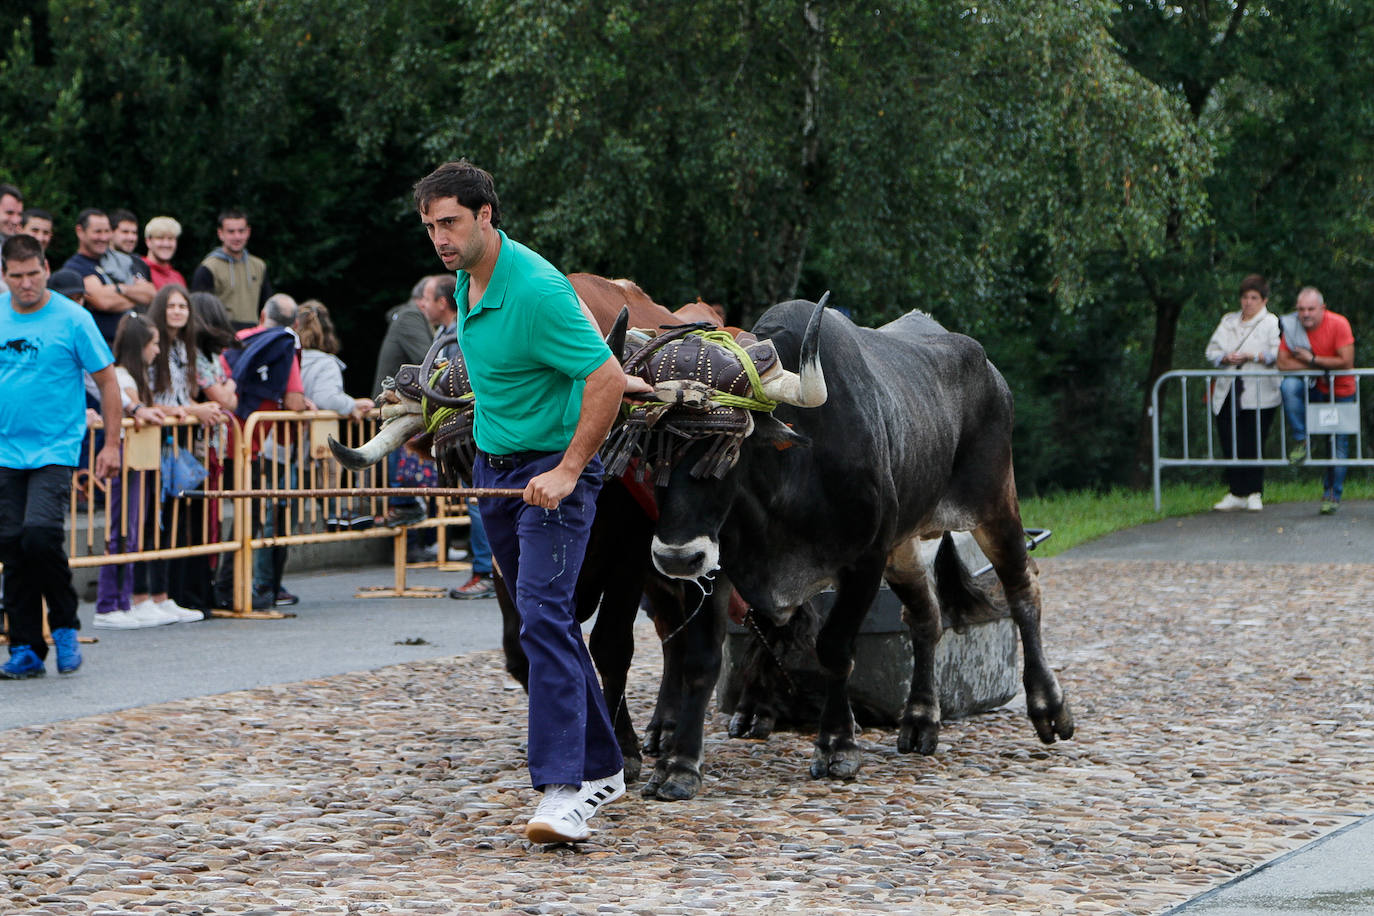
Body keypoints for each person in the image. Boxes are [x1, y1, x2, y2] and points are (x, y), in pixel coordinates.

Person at [413, 159, 645, 843]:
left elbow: (604, 378)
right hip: (498, 472)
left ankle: (563, 791)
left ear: (487, 216)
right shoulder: (465, 279)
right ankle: (604, 765)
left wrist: (571, 469)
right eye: (430, 227)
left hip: (552, 474)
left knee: (543, 620)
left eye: (450, 222)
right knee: (542, 621)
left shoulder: (537, 288)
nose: (440, 238)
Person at [1, 233, 121, 678]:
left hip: (55, 446)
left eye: (34, 274)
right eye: (17, 276)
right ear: (4, 275)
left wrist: (110, 444)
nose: (27, 284)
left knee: (39, 534)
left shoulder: (72, 319)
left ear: (46, 269)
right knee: (11, 544)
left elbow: (107, 382)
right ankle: (26, 647)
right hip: (5, 449)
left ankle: (65, 626)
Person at [93, 313, 173, 629]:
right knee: (121, 529)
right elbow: (125, 400)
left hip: (136, 457)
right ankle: (109, 602)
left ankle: (122, 601)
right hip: (126, 456)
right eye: (153, 344)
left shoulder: (130, 378)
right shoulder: (123, 377)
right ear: (140, 345)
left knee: (130, 528)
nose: (157, 351)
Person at [423, 277, 495, 597]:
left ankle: (487, 572)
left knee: (479, 499)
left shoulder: (459, 334)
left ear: (444, 302)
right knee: (477, 499)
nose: (422, 305)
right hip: (461, 428)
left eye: (427, 298)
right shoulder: (446, 333)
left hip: (474, 427)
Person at [1204, 274, 1281, 512]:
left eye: (1254, 297)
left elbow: (1277, 353)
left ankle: (1254, 491)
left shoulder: (1271, 322)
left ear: (1264, 300)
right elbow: (1211, 351)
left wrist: (1252, 356)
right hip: (1229, 389)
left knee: (1253, 440)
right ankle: (1236, 491)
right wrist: (1225, 358)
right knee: (1229, 438)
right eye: (1245, 297)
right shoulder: (1228, 321)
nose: (1248, 302)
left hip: (1260, 392)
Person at [1276, 286, 1356, 514]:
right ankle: (1302, 439)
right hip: (1314, 386)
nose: (1305, 314)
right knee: (1289, 384)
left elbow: (1346, 362)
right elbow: (1282, 363)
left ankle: (1332, 494)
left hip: (1340, 390)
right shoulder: (1292, 326)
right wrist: (1317, 367)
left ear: (1322, 308)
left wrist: (1312, 360)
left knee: (1337, 443)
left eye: (1311, 309)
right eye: (1301, 309)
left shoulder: (1339, 323)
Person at [373, 276, 442, 530]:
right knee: (407, 483)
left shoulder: (409, 316)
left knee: (413, 480)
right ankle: (403, 508)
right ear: (422, 299)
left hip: (403, 407)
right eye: (428, 298)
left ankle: (418, 544)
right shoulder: (412, 316)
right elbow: (429, 362)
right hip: (397, 408)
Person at [60, 209, 153, 347]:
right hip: (103, 347)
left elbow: (151, 294)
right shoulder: (75, 268)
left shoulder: (123, 260)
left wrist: (120, 289)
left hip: (135, 345)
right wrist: (137, 295)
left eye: (107, 231)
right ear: (80, 231)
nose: (103, 237)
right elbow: (103, 301)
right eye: (97, 232)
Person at [190, 209, 273, 327]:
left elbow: (267, 306)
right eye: (231, 232)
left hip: (254, 335)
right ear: (220, 233)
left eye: (241, 231)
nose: (237, 236)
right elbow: (199, 311)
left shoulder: (259, 266)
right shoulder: (208, 268)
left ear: (248, 232)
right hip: (222, 334)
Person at [98, 208, 156, 304]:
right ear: (110, 232)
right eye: (125, 232)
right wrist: (138, 293)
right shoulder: (101, 259)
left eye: (134, 233)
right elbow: (105, 301)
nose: (131, 238)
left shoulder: (140, 263)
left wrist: (121, 288)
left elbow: (152, 295)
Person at [141, 215, 188, 289]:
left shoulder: (178, 277)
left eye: (170, 238)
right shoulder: (138, 270)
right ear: (148, 241)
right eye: (160, 238)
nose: (166, 244)